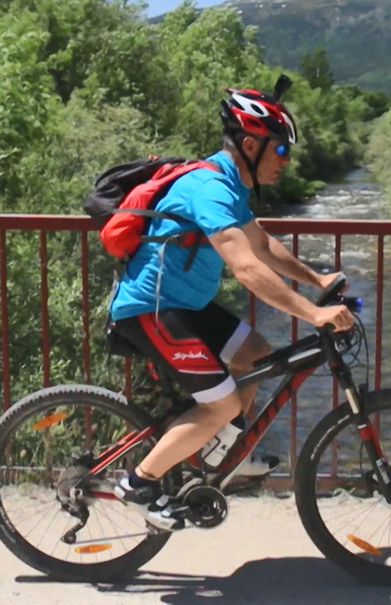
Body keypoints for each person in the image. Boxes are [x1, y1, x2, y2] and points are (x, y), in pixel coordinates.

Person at [107, 76, 355, 530]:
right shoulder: (211, 188)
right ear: (249, 144)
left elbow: (261, 246)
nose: (286, 160)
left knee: (258, 354)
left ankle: (223, 453)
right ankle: (139, 483)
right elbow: (245, 267)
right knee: (221, 404)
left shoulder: (230, 186)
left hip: (187, 305)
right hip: (153, 308)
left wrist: (316, 278)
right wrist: (313, 312)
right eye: (279, 149)